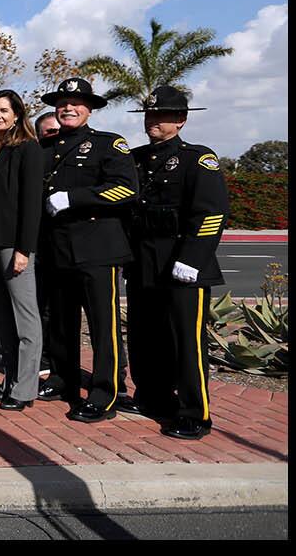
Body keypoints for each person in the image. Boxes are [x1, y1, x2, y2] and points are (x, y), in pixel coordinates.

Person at [124, 86, 229, 440]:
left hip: (183, 265)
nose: (153, 120)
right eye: (150, 114)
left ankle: (194, 412)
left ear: (181, 121)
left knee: (186, 341)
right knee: (145, 337)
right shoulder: (135, 159)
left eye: (162, 115)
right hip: (143, 263)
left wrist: (192, 259)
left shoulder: (197, 159)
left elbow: (211, 214)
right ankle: (152, 397)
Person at [39, 77, 138, 423]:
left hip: (98, 249)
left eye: (77, 102)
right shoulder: (47, 147)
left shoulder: (109, 144)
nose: (69, 107)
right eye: (63, 102)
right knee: (62, 324)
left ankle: (105, 392)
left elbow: (127, 189)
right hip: (58, 248)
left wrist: (75, 198)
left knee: (103, 326)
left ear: (90, 108)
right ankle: (62, 378)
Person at [0, 90, 44, 411]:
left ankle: (25, 388)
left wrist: (23, 249)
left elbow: (31, 205)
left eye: (4, 110)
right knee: (3, 319)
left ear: (17, 114)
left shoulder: (28, 149)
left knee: (25, 319)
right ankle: (11, 379)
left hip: (13, 246)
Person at [32, 109, 60, 392]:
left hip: (77, 249)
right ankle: (47, 364)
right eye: (48, 132)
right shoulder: (36, 159)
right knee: (41, 310)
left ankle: (115, 380)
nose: (54, 135)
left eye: (57, 130)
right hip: (40, 247)